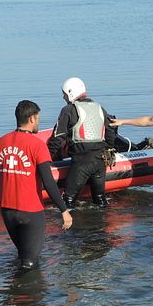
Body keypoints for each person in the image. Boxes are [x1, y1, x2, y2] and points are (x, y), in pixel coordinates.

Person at [0, 100, 72, 270]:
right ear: (32, 119)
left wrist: (3, 201)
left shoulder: (1, 142)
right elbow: (48, 182)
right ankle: (26, 293)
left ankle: (12, 295)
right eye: (38, 118)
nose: (38, 122)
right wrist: (63, 210)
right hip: (31, 213)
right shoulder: (37, 145)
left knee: (22, 256)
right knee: (29, 264)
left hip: (8, 212)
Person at [47, 77, 116, 208]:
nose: (63, 97)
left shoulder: (69, 110)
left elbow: (57, 138)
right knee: (100, 199)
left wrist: (46, 159)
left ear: (71, 93)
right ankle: (102, 227)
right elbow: (110, 131)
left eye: (64, 94)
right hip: (100, 161)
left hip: (81, 162)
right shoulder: (99, 108)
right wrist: (109, 148)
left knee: (67, 201)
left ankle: (69, 227)